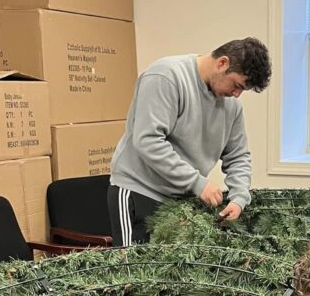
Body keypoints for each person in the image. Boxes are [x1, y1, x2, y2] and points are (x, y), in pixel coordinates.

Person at [107, 37, 271, 246]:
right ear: (222, 63)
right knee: (133, 264)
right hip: (139, 190)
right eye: (237, 85)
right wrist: (197, 183)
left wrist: (239, 199)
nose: (237, 94)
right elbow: (148, 141)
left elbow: (238, 157)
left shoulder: (232, 107)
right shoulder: (166, 77)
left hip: (181, 200)